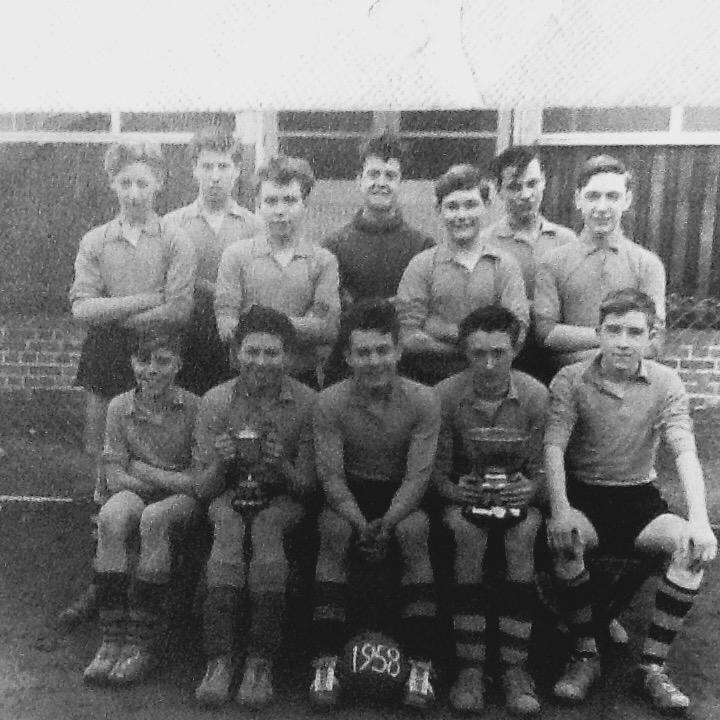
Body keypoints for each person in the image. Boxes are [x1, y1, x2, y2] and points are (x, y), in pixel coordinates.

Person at [544, 288, 717, 713]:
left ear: (650, 336)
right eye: (614, 330)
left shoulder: (665, 382)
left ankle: (652, 668)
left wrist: (699, 520)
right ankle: (585, 654)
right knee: (567, 541)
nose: (623, 341)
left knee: (690, 550)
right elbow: (552, 446)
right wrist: (561, 508)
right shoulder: (570, 379)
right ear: (598, 333)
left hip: (638, 496)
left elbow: (684, 451)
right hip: (585, 493)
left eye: (634, 332)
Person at [63, 142, 195, 626]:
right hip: (104, 360)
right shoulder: (96, 240)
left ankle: (161, 581)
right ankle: (102, 580)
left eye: (144, 182)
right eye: (126, 182)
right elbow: (82, 309)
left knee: (161, 462)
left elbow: (179, 309)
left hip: (159, 352)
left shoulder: (177, 240)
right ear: (112, 184)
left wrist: (113, 310)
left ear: (159, 183)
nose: (135, 192)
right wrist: (143, 298)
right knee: (104, 466)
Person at [309, 299, 441, 711]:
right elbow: (331, 475)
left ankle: (422, 664)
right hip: (350, 492)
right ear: (347, 356)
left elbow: (418, 475)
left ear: (399, 351)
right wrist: (358, 519)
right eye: (363, 352)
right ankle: (324, 661)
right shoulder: (329, 401)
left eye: (383, 350)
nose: (374, 361)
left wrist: (387, 521)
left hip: (401, 494)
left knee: (414, 532)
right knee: (334, 532)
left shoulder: (423, 400)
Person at [192, 305, 317, 708]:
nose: (260, 362)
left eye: (272, 353)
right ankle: (219, 660)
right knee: (227, 523)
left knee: (266, 527)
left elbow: (310, 490)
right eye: (251, 351)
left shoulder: (309, 402)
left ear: (290, 358)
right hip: (229, 494)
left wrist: (281, 464)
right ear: (235, 354)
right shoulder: (214, 401)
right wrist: (220, 461)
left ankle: (261, 661)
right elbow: (202, 489)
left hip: (283, 500)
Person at [433, 305, 547, 716]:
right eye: (477, 352)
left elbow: (543, 470)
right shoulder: (445, 395)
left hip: (517, 499)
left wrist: (530, 490)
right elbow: (437, 474)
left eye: (498, 352)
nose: (488, 363)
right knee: (467, 535)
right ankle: (470, 666)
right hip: (464, 500)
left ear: (515, 349)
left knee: (524, 534)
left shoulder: (535, 395)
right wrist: (456, 492)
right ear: (464, 351)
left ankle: (516, 668)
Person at [82, 332, 202, 686]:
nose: (152, 370)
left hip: (180, 499)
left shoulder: (196, 407)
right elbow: (114, 476)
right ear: (132, 363)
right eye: (143, 361)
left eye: (163, 361)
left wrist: (143, 470)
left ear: (178, 365)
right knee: (111, 516)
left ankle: (140, 645)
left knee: (155, 519)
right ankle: (110, 641)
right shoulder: (120, 406)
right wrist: (154, 478)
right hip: (141, 489)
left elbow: (197, 480)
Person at [396, 164, 528, 386]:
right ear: (439, 210)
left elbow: (518, 334)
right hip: (432, 381)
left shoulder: (505, 265)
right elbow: (409, 337)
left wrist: (440, 329)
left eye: (470, 205)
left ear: (486, 206)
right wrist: (480, 345)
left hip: (491, 384)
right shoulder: (421, 265)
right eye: (452, 207)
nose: (461, 215)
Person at [215, 155, 340, 388]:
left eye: (290, 200)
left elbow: (327, 329)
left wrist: (255, 322)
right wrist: (300, 324)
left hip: (301, 381)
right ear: (258, 205)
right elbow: (227, 326)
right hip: (245, 380)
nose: (280, 210)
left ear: (305, 204)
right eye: (271, 201)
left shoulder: (323, 261)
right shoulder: (236, 256)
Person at [534, 155, 666, 369]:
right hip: (571, 383)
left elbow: (654, 341)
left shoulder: (647, 265)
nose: (602, 207)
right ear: (578, 199)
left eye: (612, 196)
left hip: (629, 388)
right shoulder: (554, 262)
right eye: (593, 196)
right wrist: (619, 340)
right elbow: (546, 334)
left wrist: (597, 352)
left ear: (627, 200)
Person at [163, 126, 262, 396]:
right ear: (194, 169)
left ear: (237, 170)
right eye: (207, 167)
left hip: (235, 335)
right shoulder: (172, 224)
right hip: (186, 337)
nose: (215, 176)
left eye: (223, 166)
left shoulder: (255, 227)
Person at [481, 146, 577, 383]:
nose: (525, 195)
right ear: (499, 190)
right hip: (508, 357)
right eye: (515, 187)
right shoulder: (485, 243)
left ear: (544, 182)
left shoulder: (567, 240)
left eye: (532, 184)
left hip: (558, 356)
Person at [322, 129, 435, 309]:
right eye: (373, 174)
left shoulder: (423, 247)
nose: (381, 183)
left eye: (390, 176)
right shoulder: (333, 247)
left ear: (401, 183)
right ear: (359, 180)